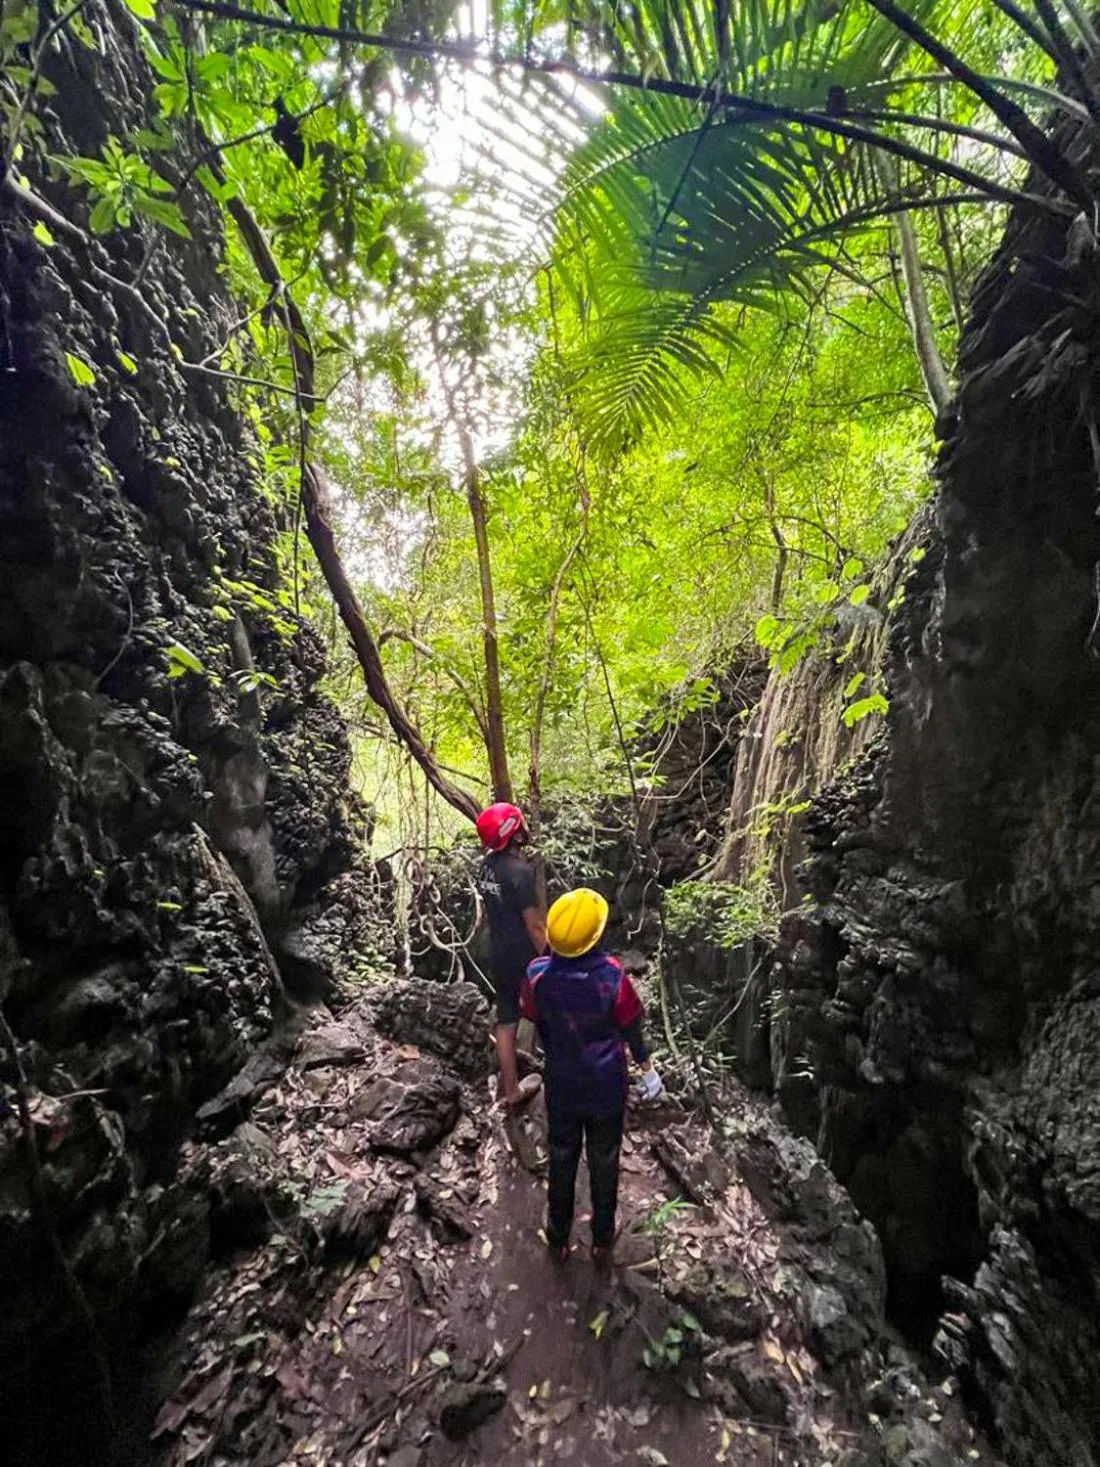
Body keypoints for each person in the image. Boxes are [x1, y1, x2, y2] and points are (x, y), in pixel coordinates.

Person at [519, 887, 662, 1265]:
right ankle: (601, 1239)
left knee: (562, 1155)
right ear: (594, 937)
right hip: (606, 1084)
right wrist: (647, 1070)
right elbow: (631, 1028)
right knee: (604, 1157)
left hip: (562, 1083)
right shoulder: (612, 976)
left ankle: (559, 1237)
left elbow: (534, 1017)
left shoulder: (538, 976)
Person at [474, 802, 547, 1107]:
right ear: (513, 831)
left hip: (497, 952)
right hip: (524, 957)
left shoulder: (485, 869)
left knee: (506, 1020)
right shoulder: (521, 872)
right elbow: (533, 926)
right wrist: (552, 957)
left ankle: (510, 1088)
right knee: (549, 1013)